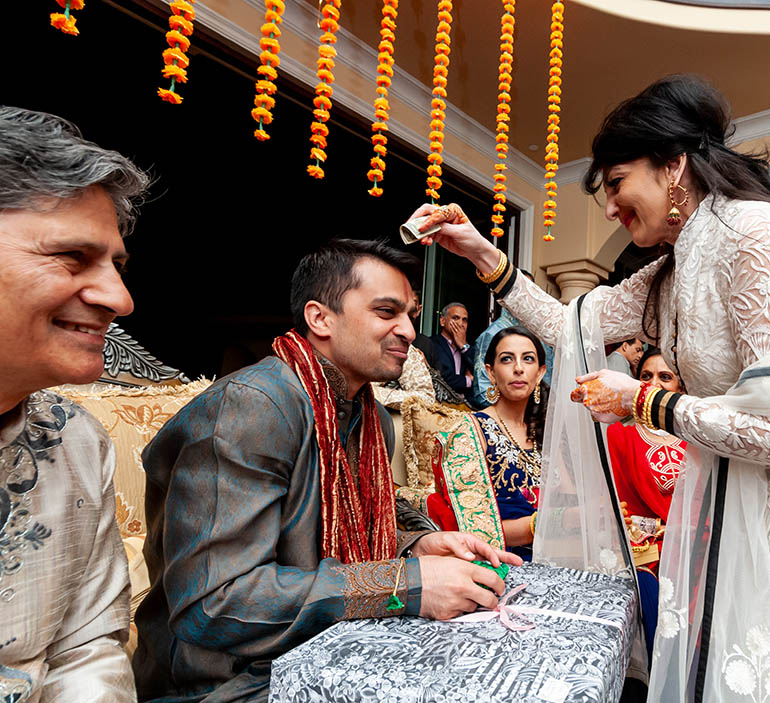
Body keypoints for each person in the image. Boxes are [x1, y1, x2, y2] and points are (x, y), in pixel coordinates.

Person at [409, 74, 770, 702]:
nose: (612, 207)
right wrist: (483, 253)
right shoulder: (671, 270)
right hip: (714, 506)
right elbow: (571, 323)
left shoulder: (756, 234)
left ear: (674, 166)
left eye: (617, 183)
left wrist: (641, 400)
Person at [133, 239, 522, 702]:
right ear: (320, 318)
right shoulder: (252, 408)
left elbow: (346, 524)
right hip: (231, 680)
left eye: (411, 315)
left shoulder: (369, 416)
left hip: (330, 648)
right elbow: (215, 605)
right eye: (386, 311)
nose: (408, 331)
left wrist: (418, 543)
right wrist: (406, 583)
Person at [0, 107, 149, 701]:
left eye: (116, 264)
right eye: (72, 257)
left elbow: (88, 652)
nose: (120, 298)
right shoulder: (254, 407)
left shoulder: (75, 440)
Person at [427, 327, 548, 562]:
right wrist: (549, 524)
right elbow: (475, 533)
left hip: (558, 557)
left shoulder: (546, 432)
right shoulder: (469, 431)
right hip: (501, 563)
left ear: (540, 373)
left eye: (528, 359)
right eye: (507, 359)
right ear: (491, 373)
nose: (519, 368)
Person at [608, 348, 687, 662]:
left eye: (665, 377)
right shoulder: (620, 436)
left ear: (680, 387)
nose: (654, 383)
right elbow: (616, 506)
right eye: (646, 376)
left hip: (694, 549)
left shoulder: (697, 439)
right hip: (646, 554)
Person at [431, 301, 475, 394]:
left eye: (464, 320)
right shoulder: (432, 344)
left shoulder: (469, 350)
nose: (460, 323)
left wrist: (463, 346)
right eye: (456, 318)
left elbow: (482, 375)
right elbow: (442, 380)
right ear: (442, 321)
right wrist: (469, 380)